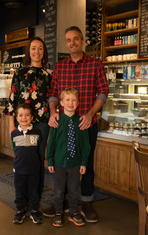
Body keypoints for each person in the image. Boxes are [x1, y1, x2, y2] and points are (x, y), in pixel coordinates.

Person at [46, 26, 109, 223]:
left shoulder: (95, 64)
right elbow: (53, 94)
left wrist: (91, 114)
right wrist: (53, 112)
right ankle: (64, 201)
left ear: (82, 41)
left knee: (86, 163)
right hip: (63, 124)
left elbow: (102, 92)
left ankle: (87, 202)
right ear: (66, 43)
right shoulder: (60, 66)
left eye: (75, 39)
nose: (72, 43)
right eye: (68, 40)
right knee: (62, 162)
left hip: (85, 124)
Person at [4, 36, 52, 200]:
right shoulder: (19, 72)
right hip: (21, 125)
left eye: (40, 48)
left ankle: (35, 198)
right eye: (33, 48)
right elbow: (12, 99)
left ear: (44, 51)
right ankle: (21, 198)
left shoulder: (49, 74)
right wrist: (12, 124)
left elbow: (53, 99)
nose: (37, 51)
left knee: (37, 161)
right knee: (22, 159)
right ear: (28, 51)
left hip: (43, 125)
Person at [47, 88, 90, 228]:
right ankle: (58, 213)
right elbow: (51, 142)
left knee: (73, 190)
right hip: (59, 163)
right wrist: (50, 160)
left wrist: (83, 162)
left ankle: (73, 212)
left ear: (78, 103)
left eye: (73, 100)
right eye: (67, 100)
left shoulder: (81, 122)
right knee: (59, 191)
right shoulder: (56, 121)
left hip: (75, 164)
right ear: (61, 103)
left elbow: (86, 145)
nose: (70, 103)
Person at [11, 103, 43, 225]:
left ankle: (34, 210)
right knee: (19, 191)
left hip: (34, 169)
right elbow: (15, 150)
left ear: (32, 117)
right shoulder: (14, 133)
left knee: (33, 191)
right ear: (17, 117)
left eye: (27, 115)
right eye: (21, 115)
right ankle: (20, 210)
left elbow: (38, 148)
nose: (24, 118)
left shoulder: (37, 132)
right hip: (19, 169)